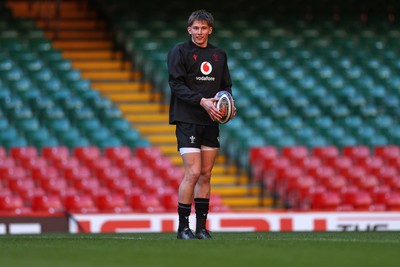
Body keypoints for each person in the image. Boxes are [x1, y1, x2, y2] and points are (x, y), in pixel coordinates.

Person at [167, 9, 236, 239]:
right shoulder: (179, 51)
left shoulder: (219, 55)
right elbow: (176, 85)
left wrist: (229, 103)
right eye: (195, 28)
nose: (199, 32)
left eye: (203, 28)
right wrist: (201, 101)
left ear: (210, 30)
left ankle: (201, 227)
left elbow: (226, 86)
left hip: (211, 121)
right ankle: (183, 227)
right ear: (189, 30)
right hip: (187, 119)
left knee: (206, 174)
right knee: (193, 172)